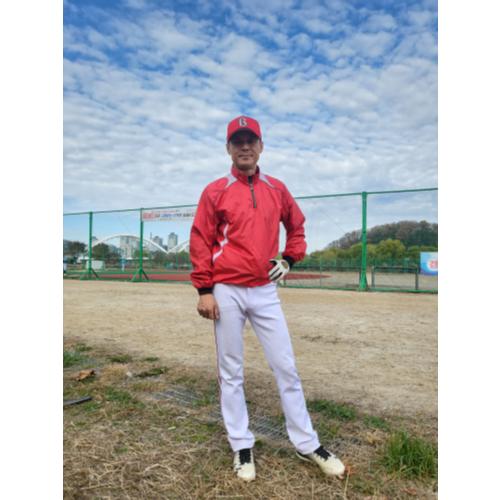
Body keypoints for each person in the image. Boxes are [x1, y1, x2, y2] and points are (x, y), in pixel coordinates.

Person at [189, 115, 345, 482]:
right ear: (228, 148)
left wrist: (289, 257)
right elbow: (200, 239)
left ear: (260, 146)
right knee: (231, 370)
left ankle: (306, 442)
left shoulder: (277, 188)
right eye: (237, 141)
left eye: (251, 140)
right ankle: (241, 445)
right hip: (226, 289)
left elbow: (297, 227)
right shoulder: (215, 190)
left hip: (264, 289)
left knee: (285, 366)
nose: (245, 146)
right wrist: (205, 290)